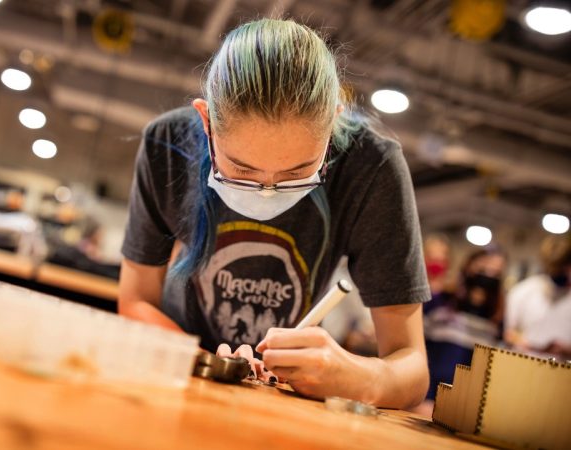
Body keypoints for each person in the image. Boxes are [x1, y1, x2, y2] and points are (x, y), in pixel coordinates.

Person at [118, 19, 430, 409]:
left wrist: (358, 376)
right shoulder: (166, 146)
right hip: (175, 378)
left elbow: (412, 368)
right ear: (206, 122)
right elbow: (135, 301)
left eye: (296, 173)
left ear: (332, 126)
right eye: (243, 170)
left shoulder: (372, 170)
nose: (266, 193)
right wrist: (205, 360)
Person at [419, 247, 506, 415]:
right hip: (426, 394)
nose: (487, 276)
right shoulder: (440, 300)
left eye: (495, 273)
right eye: (483, 269)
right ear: (469, 267)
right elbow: (417, 347)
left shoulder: (496, 316)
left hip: (463, 404)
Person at [505, 235, 571, 359]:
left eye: (564, 267)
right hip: (526, 365)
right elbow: (510, 334)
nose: (560, 272)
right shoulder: (524, 291)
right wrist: (534, 347)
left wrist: (565, 350)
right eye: (556, 267)